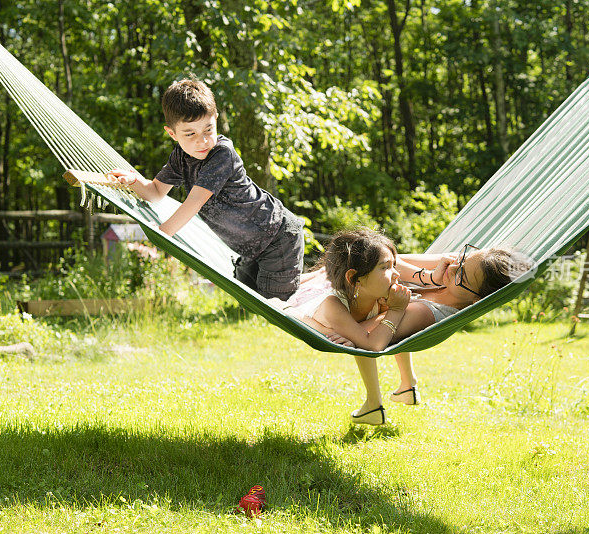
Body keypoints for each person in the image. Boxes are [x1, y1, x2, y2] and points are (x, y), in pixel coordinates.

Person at [284, 228, 533, 425]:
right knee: (349, 262)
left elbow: (365, 334)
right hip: (343, 287)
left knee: (321, 283)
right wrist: (429, 276)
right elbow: (392, 259)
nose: (453, 267)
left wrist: (387, 307)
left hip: (330, 303)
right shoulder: (453, 271)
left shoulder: (423, 312)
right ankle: (407, 384)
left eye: (462, 275)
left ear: (478, 301)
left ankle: (377, 400)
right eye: (462, 258)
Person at [108, 78, 304, 301]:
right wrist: (133, 181)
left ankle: (306, 285)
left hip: (277, 238)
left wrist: (162, 234)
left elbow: (194, 202)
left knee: (278, 305)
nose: (202, 141)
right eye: (190, 134)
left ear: (216, 120)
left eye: (208, 129)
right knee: (248, 297)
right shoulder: (180, 158)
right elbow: (155, 191)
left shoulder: (222, 154)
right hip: (251, 249)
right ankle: (298, 277)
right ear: (172, 134)